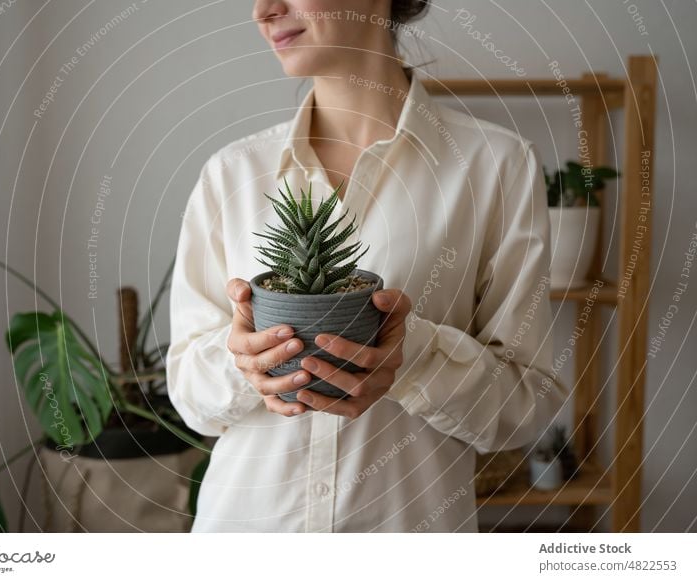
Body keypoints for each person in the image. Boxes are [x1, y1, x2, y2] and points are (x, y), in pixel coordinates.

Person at [166, 0, 569, 532]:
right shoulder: (231, 174)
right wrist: (244, 363)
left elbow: (526, 405)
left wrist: (412, 356)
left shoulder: (495, 167)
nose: (264, 10)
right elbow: (192, 399)